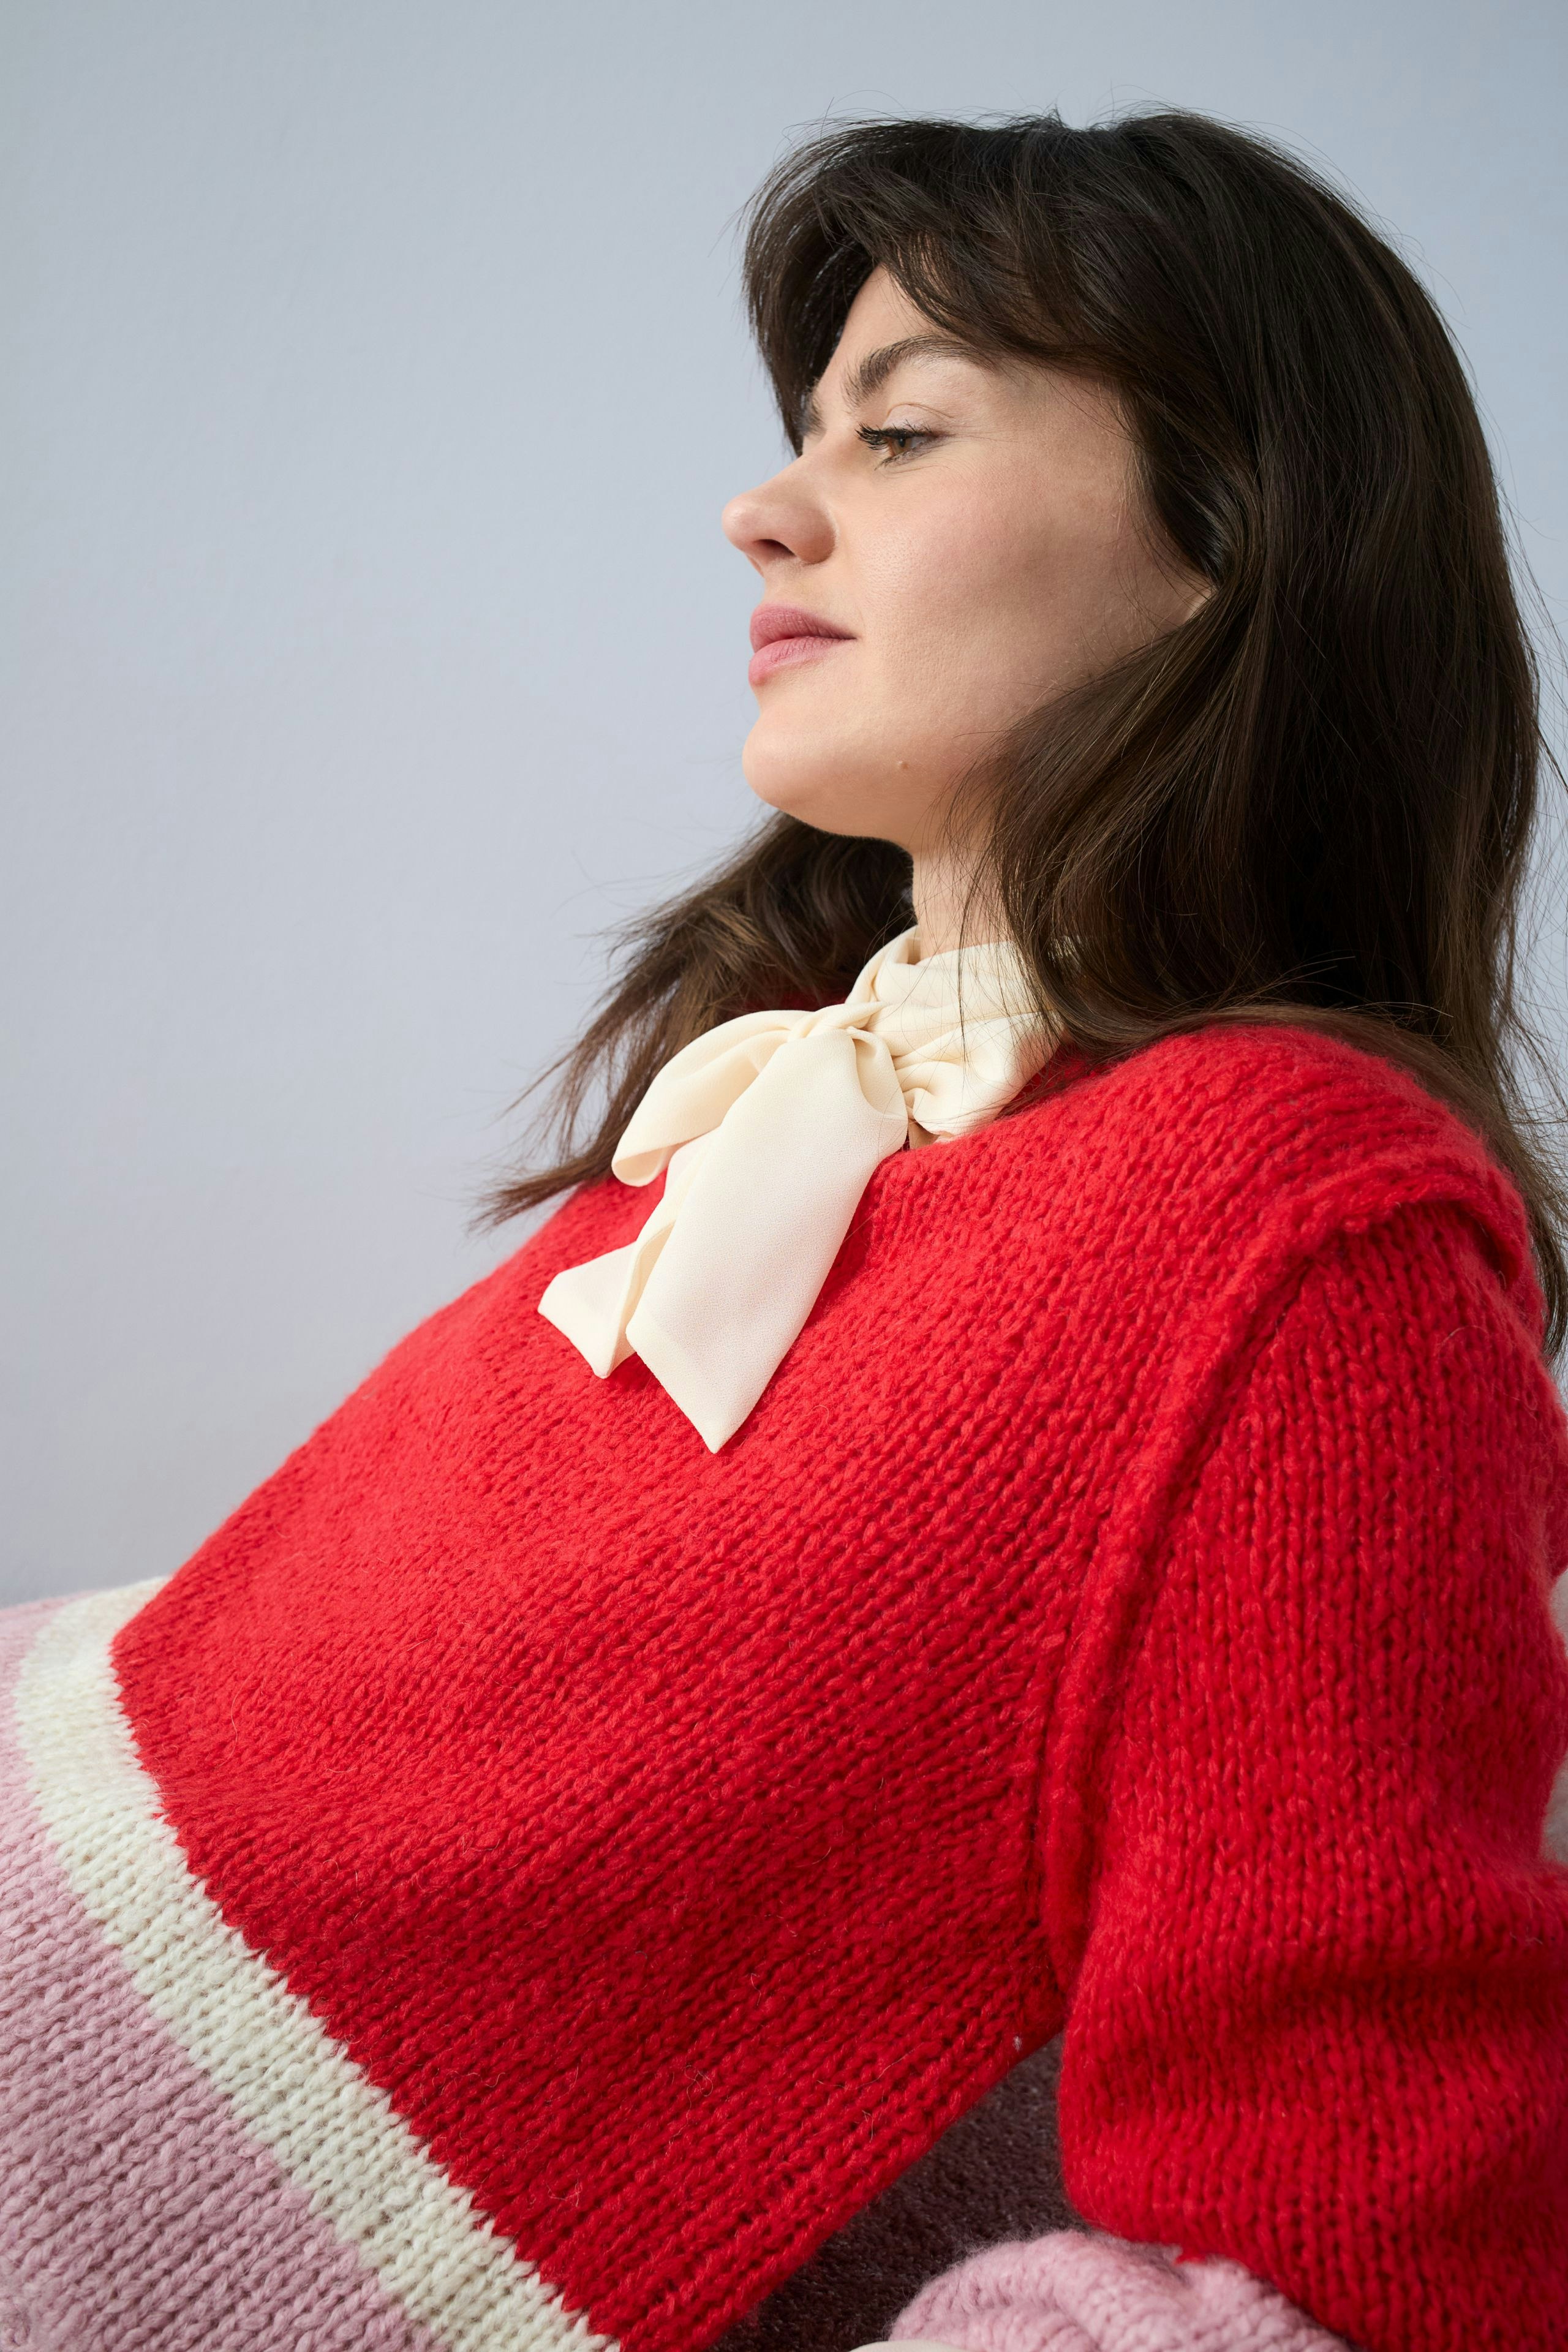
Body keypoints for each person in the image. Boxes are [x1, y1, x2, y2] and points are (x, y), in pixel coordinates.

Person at [4, 107, 1568, 2352]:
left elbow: (1328, 2274)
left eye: (905, 429)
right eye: (807, 430)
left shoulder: (1306, 1243)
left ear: (1235, 537)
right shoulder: (799, 1090)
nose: (765, 504)